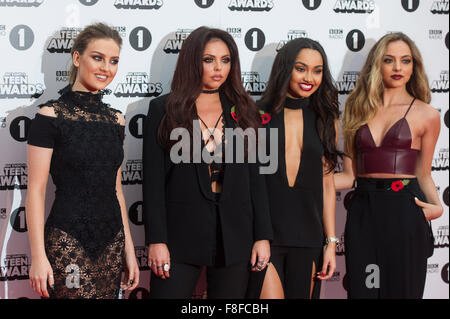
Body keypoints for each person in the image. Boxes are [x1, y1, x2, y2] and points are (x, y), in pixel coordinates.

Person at [143, 26, 273, 299]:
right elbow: (153, 185)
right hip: (180, 237)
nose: (218, 68)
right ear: (192, 61)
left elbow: (256, 180)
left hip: (236, 234)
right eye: (208, 59)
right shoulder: (164, 109)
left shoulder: (245, 110)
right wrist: (157, 240)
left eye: (225, 60)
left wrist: (262, 235)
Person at [26, 23, 139, 299]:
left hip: (112, 239)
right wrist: (38, 257)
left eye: (113, 61)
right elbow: (36, 191)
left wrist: (130, 251)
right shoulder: (51, 116)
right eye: (97, 58)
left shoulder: (116, 120)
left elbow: (117, 191)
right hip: (68, 239)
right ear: (77, 58)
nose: (106, 68)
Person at [336, 32, 443, 298]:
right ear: (376, 64)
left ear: (413, 66)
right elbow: (349, 176)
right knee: (364, 291)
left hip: (405, 210)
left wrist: (438, 206)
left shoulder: (427, 114)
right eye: (389, 60)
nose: (398, 68)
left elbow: (424, 173)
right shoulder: (355, 108)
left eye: (405, 61)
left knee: (402, 292)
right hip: (363, 211)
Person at [247, 38, 340, 299]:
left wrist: (331, 243)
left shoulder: (325, 118)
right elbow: (247, 183)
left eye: (317, 70)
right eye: (301, 68)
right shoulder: (255, 114)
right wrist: (257, 235)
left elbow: (327, 184)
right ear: (285, 68)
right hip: (266, 236)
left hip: (308, 236)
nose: (309, 77)